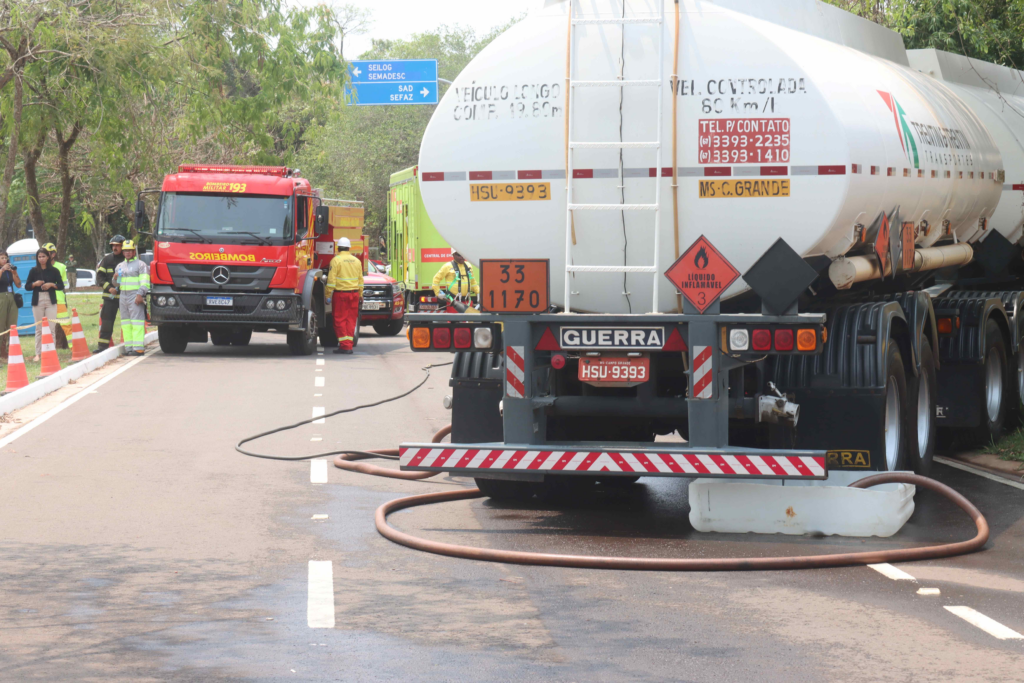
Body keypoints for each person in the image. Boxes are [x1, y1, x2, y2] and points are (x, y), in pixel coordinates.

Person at [324, 237, 363, 355]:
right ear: (349, 248)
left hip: (341, 295)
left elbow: (331, 280)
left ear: (338, 248)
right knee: (351, 320)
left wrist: (327, 295)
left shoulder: (336, 260)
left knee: (339, 320)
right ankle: (348, 344)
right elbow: (360, 280)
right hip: (354, 294)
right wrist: (360, 294)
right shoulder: (357, 261)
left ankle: (345, 346)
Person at [24, 248, 63, 362]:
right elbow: (27, 286)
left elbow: (61, 285)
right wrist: (34, 284)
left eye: (43, 256)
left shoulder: (54, 270)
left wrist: (52, 285)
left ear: (48, 257)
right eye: (39, 257)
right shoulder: (33, 271)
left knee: (51, 328)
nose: (41, 259)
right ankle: (38, 354)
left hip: (51, 300)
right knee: (39, 328)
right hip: (38, 300)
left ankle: (52, 352)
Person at [112, 240, 149, 356]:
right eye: (125, 250)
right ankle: (129, 348)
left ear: (134, 252)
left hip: (135, 295)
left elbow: (145, 282)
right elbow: (116, 284)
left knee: (137, 322)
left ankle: (138, 348)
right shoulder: (120, 266)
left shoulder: (141, 265)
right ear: (123, 252)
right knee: (126, 323)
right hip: (123, 296)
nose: (127, 252)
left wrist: (140, 294)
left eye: (130, 250)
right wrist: (114, 278)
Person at [95, 235, 125, 351]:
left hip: (125, 298)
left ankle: (131, 346)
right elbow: (100, 277)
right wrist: (109, 288)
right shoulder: (107, 259)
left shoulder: (128, 260)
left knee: (127, 323)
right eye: (113, 246)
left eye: (117, 245)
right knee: (106, 323)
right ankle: (102, 347)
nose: (114, 248)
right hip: (110, 297)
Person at [42, 242, 71, 348]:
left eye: (46, 253)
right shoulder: (39, 268)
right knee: (45, 327)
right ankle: (47, 350)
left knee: (66, 325)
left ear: (53, 254)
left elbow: (65, 285)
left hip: (59, 300)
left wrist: (52, 285)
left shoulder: (61, 267)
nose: (43, 256)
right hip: (44, 301)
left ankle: (74, 348)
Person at [0, 250, 23, 360]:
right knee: (1, 324)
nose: (4, 260)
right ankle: (2, 350)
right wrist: (2, 270)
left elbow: (18, 284)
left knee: (12, 324)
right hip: (1, 297)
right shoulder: (2, 270)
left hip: (11, 296)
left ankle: (12, 349)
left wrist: (14, 273)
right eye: (2, 258)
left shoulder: (9, 270)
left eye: (6, 258)